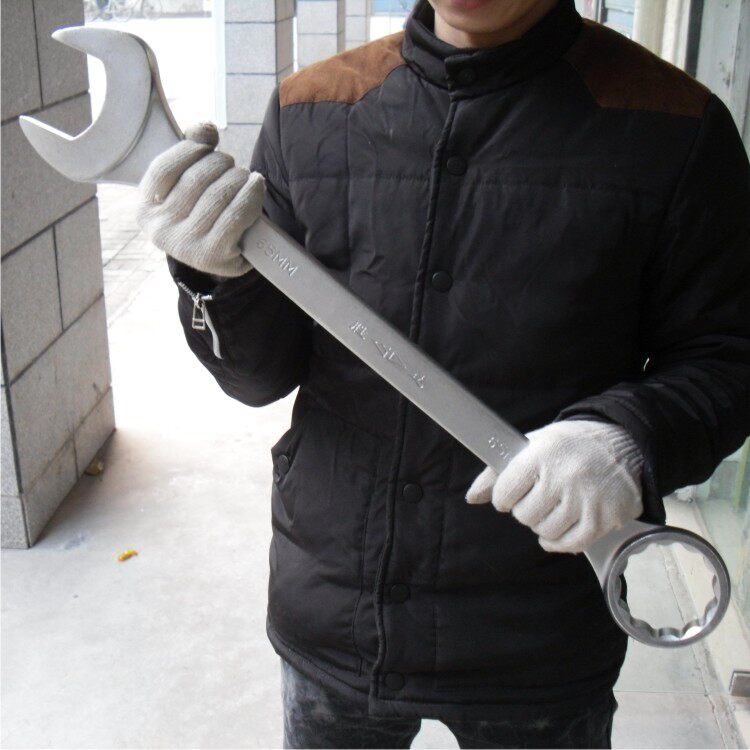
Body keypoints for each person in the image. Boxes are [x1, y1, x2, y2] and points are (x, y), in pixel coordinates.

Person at [136, 0, 750, 746]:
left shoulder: (676, 127)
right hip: (336, 611)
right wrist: (214, 281)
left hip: (538, 638)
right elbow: (258, 377)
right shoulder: (311, 108)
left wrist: (627, 437)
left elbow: (728, 355)